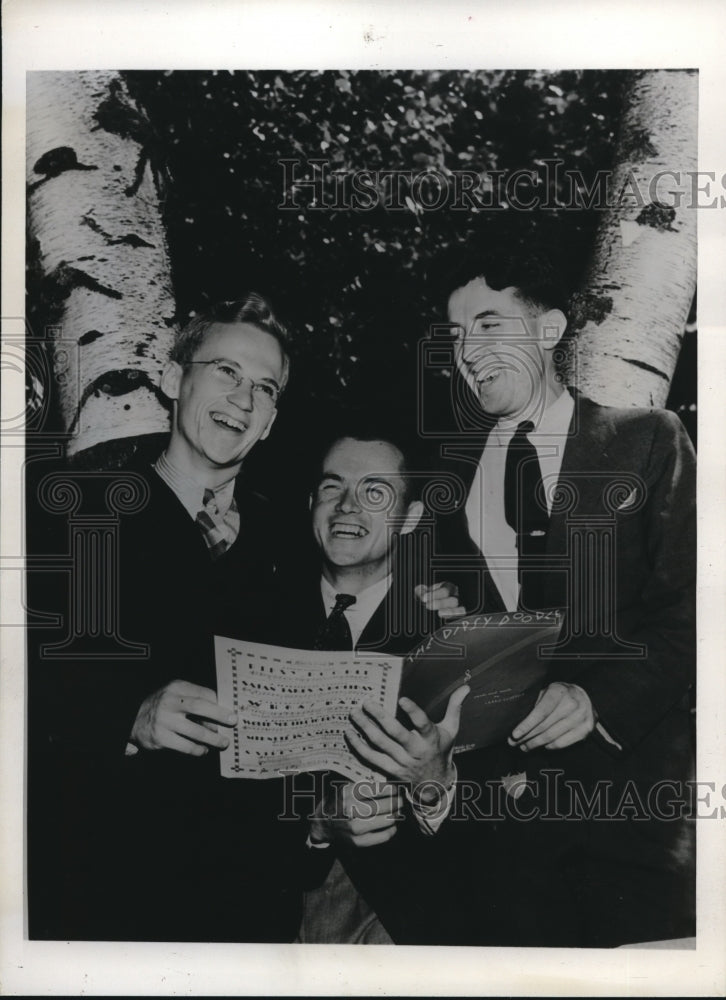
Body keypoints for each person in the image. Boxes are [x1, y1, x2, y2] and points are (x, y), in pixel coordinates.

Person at [414, 249, 696, 946]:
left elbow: (696, 609)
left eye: (487, 325)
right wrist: (441, 620)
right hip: (498, 847)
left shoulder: (646, 441)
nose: (468, 352)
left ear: (549, 330)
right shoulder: (446, 487)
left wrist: (600, 702)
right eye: (454, 335)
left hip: (631, 827)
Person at [28, 295, 311, 942]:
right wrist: (127, 717)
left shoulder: (289, 546)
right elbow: (23, 698)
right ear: (174, 377)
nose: (243, 399)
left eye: (264, 388)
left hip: (252, 913)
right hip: (110, 899)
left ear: (270, 422)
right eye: (226, 371)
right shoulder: (83, 517)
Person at [272, 426, 469, 944]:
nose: (348, 507)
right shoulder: (253, 621)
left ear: (411, 517)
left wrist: (435, 785)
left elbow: (496, 815)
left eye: (375, 492)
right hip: (265, 910)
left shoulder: (449, 634)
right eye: (333, 487)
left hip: (399, 919)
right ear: (311, 502)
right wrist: (313, 829)